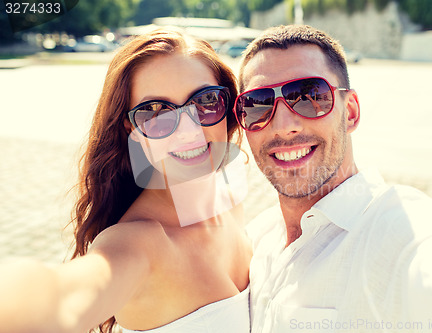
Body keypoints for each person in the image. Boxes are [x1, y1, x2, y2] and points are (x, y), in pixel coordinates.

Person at [234, 25, 432, 332]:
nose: (283, 126)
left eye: (310, 96)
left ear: (350, 112)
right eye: (257, 105)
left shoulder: (396, 225)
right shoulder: (256, 239)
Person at [0, 29, 251, 333]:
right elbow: (62, 298)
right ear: (131, 130)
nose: (188, 129)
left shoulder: (229, 198)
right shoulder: (136, 243)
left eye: (205, 100)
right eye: (155, 111)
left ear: (229, 106)